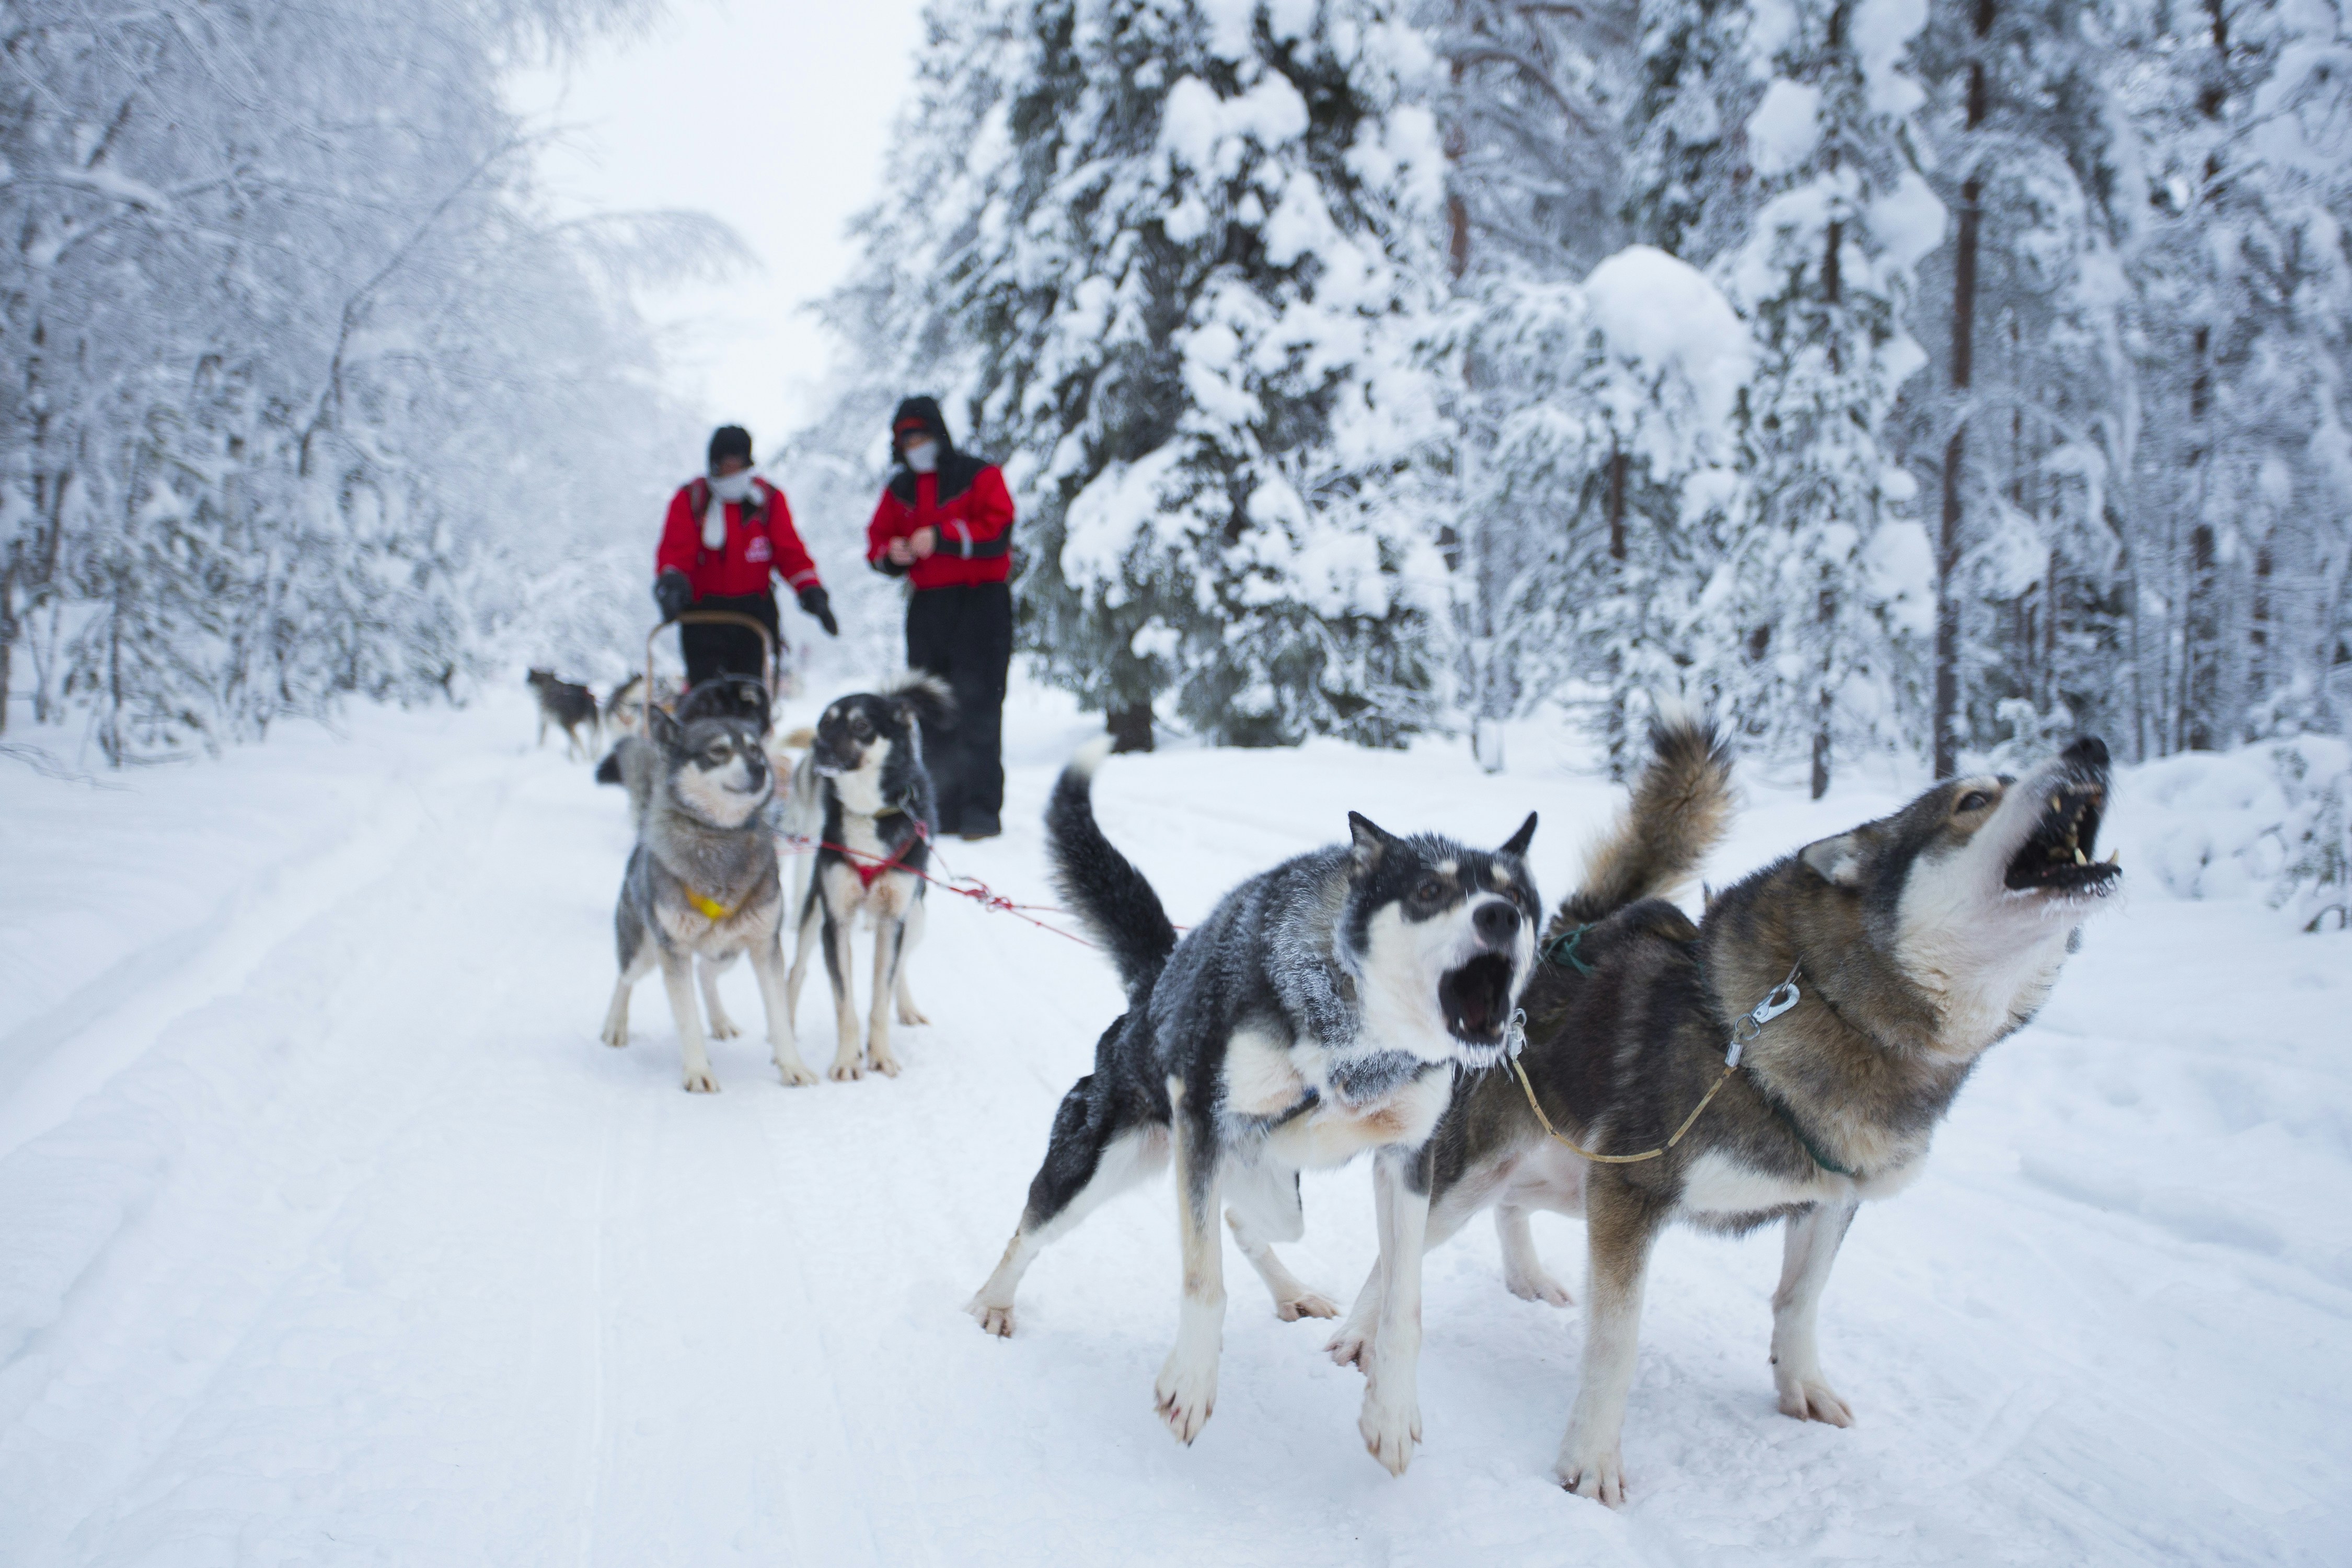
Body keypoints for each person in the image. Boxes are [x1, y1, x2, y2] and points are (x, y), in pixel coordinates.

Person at [866, 397, 1016, 839]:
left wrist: (946, 537)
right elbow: (876, 541)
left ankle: (981, 811)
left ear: (939, 434)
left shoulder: (978, 475)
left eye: (922, 436)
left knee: (980, 705)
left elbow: (1000, 529)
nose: (916, 446)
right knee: (931, 707)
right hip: (928, 608)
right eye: (907, 439)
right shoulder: (899, 490)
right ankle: (940, 807)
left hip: (980, 604)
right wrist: (889, 555)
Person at [655, 425, 837, 688]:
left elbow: (790, 553)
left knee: (751, 692)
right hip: (703, 616)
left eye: (738, 465)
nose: (732, 472)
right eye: (725, 465)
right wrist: (671, 585)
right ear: (713, 464)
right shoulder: (692, 500)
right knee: (706, 693)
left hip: (753, 617)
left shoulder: (768, 501)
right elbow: (676, 549)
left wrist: (811, 591)